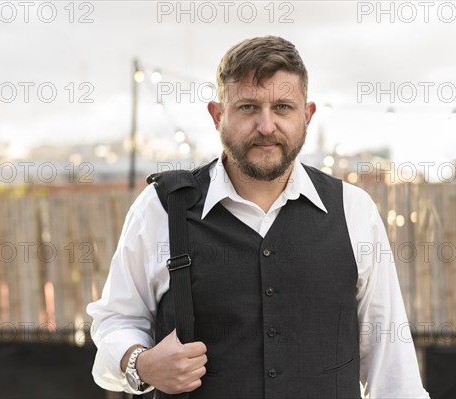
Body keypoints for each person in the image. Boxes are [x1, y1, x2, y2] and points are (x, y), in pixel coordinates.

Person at [87, 35, 430, 398]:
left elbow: (391, 365)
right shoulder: (161, 208)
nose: (266, 127)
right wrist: (141, 364)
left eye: (282, 107)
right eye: (248, 108)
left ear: (307, 115)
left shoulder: (354, 211)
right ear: (218, 116)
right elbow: (115, 320)